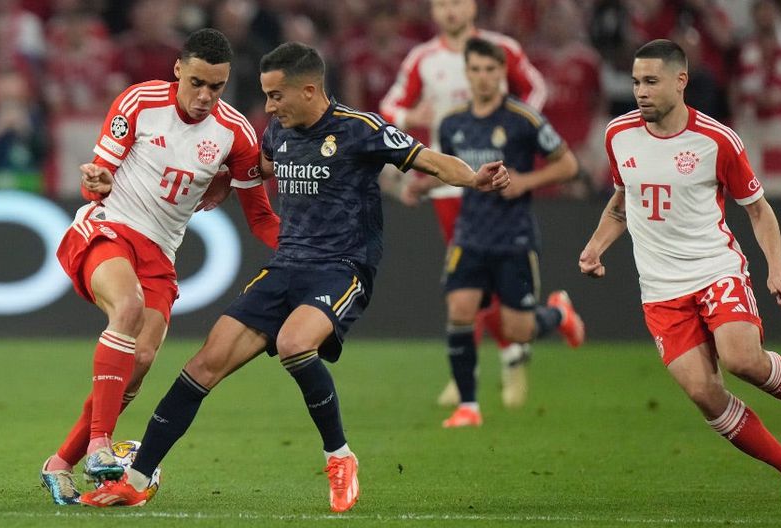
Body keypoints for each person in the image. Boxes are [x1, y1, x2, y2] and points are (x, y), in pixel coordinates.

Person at [79, 41, 509, 512]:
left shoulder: (360, 129)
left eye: (275, 95)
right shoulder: (278, 134)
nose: (268, 107)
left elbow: (429, 158)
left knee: (293, 343)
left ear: (308, 90)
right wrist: (222, 183)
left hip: (342, 268)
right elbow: (254, 168)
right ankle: (137, 480)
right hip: (285, 267)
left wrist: (473, 178)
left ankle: (340, 457)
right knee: (202, 366)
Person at [578, 39, 781, 502]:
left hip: (714, 269)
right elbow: (623, 202)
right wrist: (595, 247)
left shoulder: (716, 140)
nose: (640, 91)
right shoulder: (618, 134)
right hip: (660, 288)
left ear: (680, 81)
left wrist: (776, 270)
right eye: (636, 82)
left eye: (651, 81)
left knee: (742, 360)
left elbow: (758, 210)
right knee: (705, 394)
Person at [39, 28, 281, 506]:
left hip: (161, 253)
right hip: (110, 227)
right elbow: (96, 181)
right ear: (178, 70)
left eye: (216, 86)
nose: (205, 96)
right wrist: (96, 182)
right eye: (196, 83)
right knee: (127, 309)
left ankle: (59, 464)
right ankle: (101, 445)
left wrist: (306, 250)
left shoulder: (235, 133)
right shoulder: (140, 102)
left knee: (140, 362)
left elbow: (260, 218)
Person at [379, 0, 547, 410]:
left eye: (457, 2)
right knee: (466, 280)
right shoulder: (423, 59)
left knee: (487, 277)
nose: (450, 11)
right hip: (449, 179)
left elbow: (536, 89)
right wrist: (410, 115)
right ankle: (473, 371)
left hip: (496, 175)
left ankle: (509, 355)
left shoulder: (499, 49)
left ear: (472, 7)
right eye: (442, 4)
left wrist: (517, 130)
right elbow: (389, 107)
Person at [425, 38, 584, 427]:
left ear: (502, 73)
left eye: (490, 70)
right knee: (459, 310)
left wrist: (526, 180)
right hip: (469, 234)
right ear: (467, 73)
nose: (483, 77)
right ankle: (468, 406)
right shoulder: (452, 123)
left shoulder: (523, 119)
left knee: (519, 330)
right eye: (476, 69)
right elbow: (451, 171)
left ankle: (559, 314)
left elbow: (568, 165)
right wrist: (420, 185)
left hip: (514, 236)